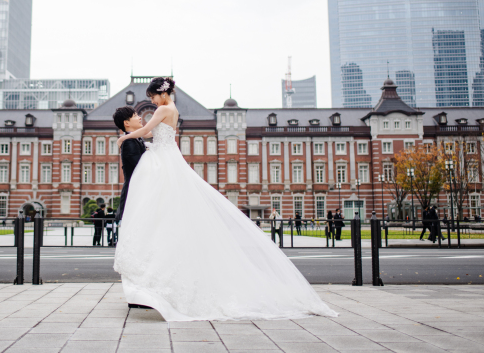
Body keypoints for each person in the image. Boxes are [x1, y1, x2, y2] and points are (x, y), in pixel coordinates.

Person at [113, 77, 336, 321]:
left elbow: (146, 131)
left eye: (153, 96)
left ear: (162, 94)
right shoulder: (172, 109)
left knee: (165, 201)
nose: (152, 102)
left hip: (164, 158)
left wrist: (124, 137)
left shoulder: (164, 108)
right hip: (169, 156)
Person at [113, 106, 147, 223]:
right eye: (135, 116)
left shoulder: (134, 139)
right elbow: (141, 167)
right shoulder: (129, 142)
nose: (139, 118)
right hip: (133, 195)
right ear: (127, 123)